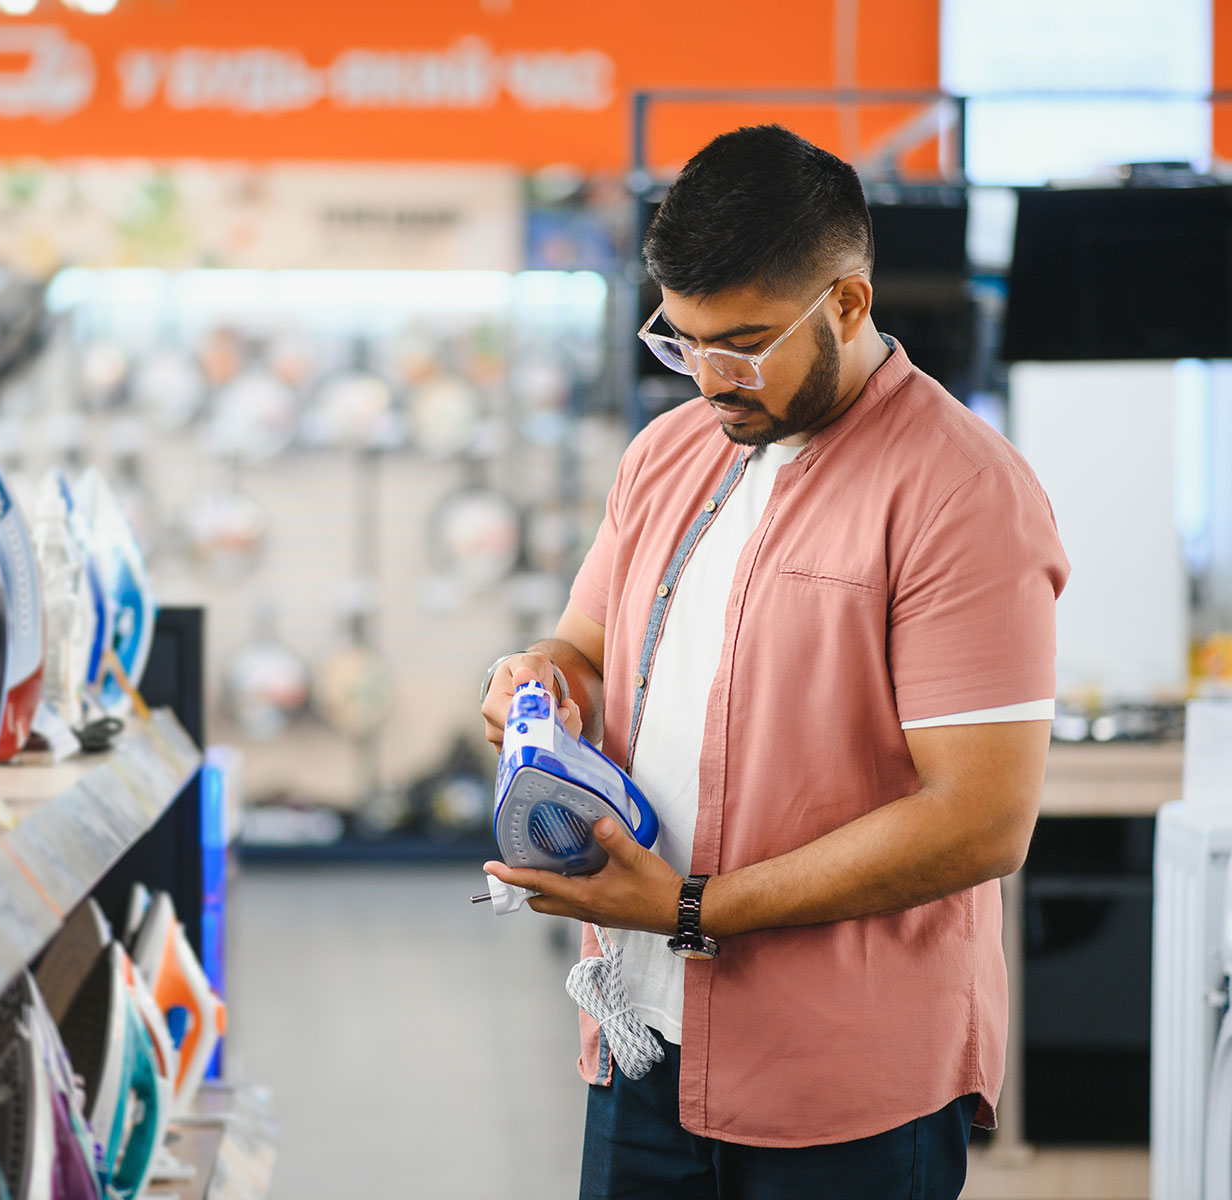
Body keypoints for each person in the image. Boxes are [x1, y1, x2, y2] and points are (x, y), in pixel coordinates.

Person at [478, 124, 1069, 1199]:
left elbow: (981, 818)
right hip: (641, 1042)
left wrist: (697, 906)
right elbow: (586, 645)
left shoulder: (960, 492)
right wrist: (538, 677)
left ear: (848, 303)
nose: (708, 380)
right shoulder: (668, 452)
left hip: (845, 1085)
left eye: (741, 344)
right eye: (681, 341)